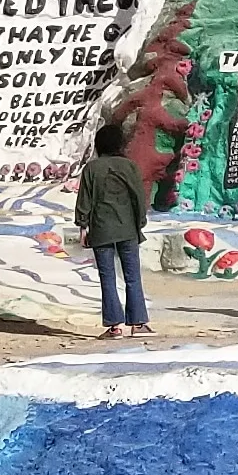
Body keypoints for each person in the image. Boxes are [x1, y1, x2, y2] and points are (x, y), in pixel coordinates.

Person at [74, 121, 151, 341]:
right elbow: (138, 197)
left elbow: (85, 200)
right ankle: (138, 324)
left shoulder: (92, 168)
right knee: (132, 276)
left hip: (100, 229)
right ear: (120, 144)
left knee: (107, 277)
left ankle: (114, 327)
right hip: (127, 228)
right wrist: (140, 222)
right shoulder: (130, 166)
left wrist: (82, 226)